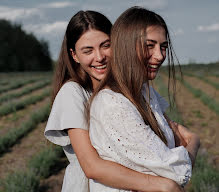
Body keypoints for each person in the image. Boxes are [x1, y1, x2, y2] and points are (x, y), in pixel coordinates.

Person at [45, 10, 184, 192]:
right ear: (74, 55)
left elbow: (171, 134)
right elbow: (92, 167)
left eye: (105, 45)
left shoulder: (133, 89)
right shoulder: (73, 93)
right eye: (88, 50)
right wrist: (163, 184)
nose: (100, 57)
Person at [89, 6, 200, 192]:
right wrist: (195, 141)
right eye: (150, 46)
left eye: (163, 47)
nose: (160, 55)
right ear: (126, 46)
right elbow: (176, 172)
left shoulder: (144, 91)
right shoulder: (113, 104)